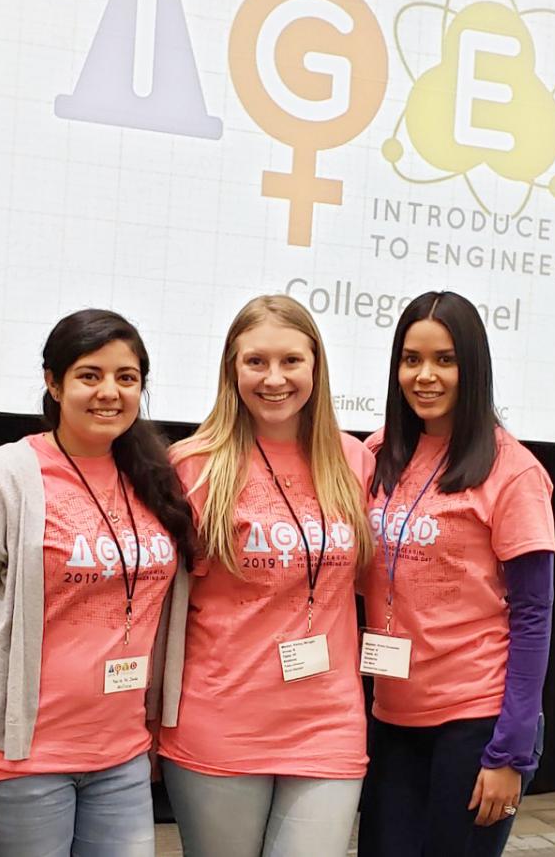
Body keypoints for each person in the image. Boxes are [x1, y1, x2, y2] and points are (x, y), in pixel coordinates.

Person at [0, 309, 195, 856]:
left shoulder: (155, 478)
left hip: (122, 761)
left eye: (127, 377)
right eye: (90, 375)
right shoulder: (0, 479)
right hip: (20, 764)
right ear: (53, 381)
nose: (109, 392)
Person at [158, 294, 374, 857]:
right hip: (220, 719)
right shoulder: (192, 466)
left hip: (328, 721)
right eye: (256, 361)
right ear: (232, 368)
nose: (274, 378)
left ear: (316, 367)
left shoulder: (355, 463)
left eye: (291, 361)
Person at [357, 290, 555, 857]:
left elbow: (534, 615)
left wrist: (512, 752)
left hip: (476, 720)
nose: (425, 376)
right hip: (392, 713)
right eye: (411, 359)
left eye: (445, 360)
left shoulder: (512, 471)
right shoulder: (375, 456)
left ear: (473, 367)